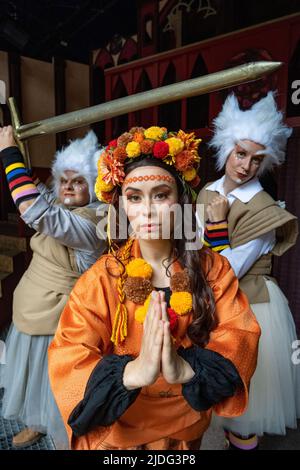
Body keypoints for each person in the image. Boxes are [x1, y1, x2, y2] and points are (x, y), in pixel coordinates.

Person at [48, 125, 260, 450]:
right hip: (123, 431)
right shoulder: (103, 278)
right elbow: (68, 354)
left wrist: (185, 369)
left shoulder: (213, 269)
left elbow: (239, 335)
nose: (147, 210)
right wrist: (132, 373)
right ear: (122, 206)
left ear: (181, 201)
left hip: (186, 427)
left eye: (161, 195)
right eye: (134, 198)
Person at [198, 92, 300, 450]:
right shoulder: (207, 191)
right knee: (214, 402)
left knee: (244, 413)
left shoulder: (264, 210)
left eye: (257, 160)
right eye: (241, 153)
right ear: (226, 148)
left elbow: (226, 270)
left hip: (250, 307)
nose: (246, 166)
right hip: (208, 303)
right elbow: (194, 251)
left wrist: (216, 225)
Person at [0, 126, 106, 449]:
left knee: (57, 385)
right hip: (33, 309)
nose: (69, 188)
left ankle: (63, 436)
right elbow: (44, 198)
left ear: (94, 187)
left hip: (57, 317)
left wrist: (8, 154)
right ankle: (38, 423)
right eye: (64, 181)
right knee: (35, 379)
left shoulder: (93, 223)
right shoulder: (67, 209)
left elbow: (36, 210)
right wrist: (30, 175)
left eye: (79, 182)